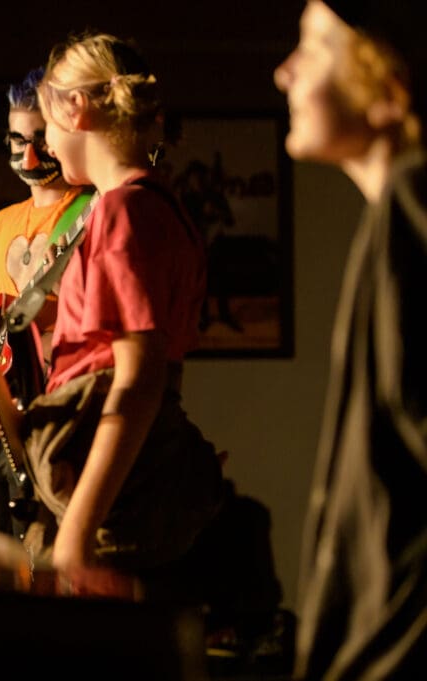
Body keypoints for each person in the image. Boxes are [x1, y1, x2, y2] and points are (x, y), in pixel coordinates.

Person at [0, 31, 224, 599]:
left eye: (47, 124)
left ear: (75, 109)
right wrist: (25, 422)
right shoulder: (152, 204)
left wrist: (75, 531)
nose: (45, 143)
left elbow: (137, 379)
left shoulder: (124, 212)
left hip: (105, 505)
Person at [274, 2, 427, 678]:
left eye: (314, 47)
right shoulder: (394, 206)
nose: (284, 72)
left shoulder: (413, 202)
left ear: (388, 89)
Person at [0, 66, 90, 538]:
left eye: (38, 140)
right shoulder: (1, 221)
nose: (26, 155)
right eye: (15, 139)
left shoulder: (92, 210)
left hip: (52, 413)